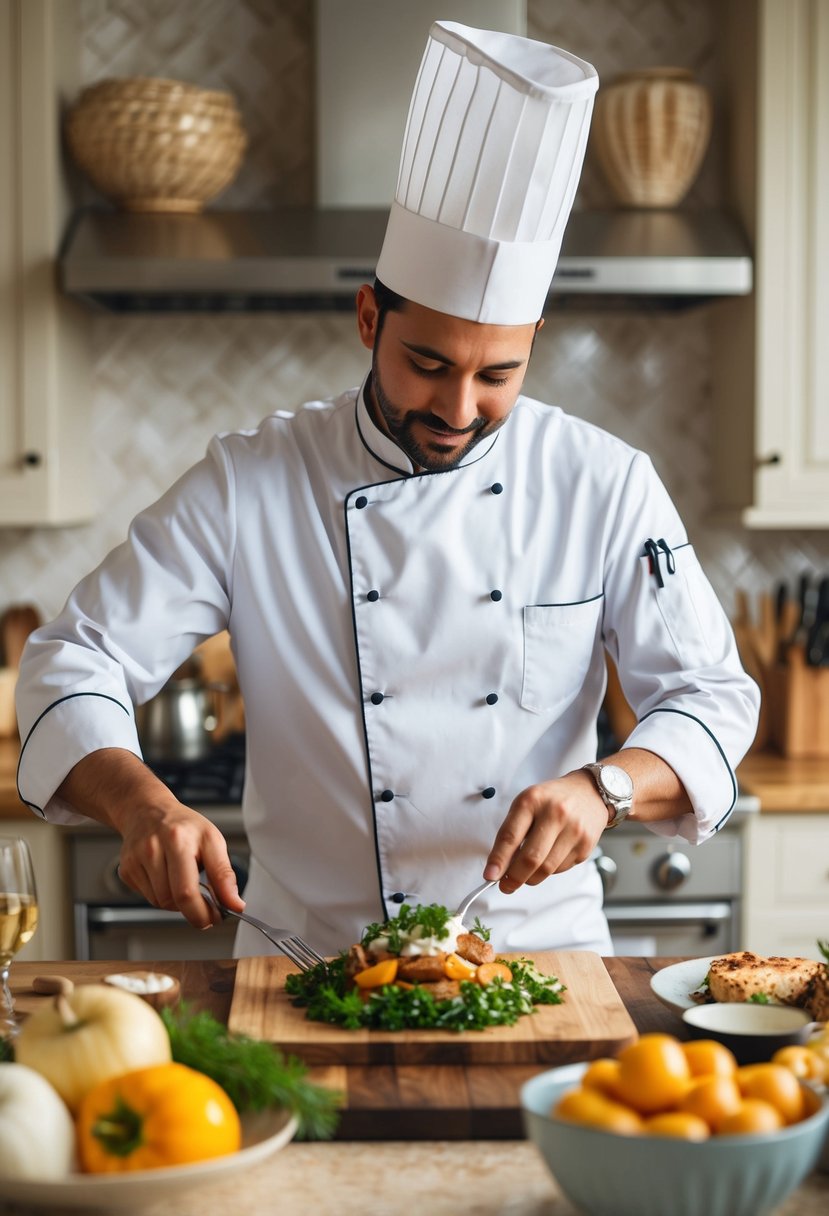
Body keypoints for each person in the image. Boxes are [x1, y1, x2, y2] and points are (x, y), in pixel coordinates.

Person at [15, 22, 759, 957]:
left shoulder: (602, 483)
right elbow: (71, 660)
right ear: (369, 317)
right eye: (426, 362)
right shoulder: (255, 482)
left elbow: (710, 696)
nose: (457, 407)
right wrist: (142, 805)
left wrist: (604, 787)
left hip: (540, 966)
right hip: (306, 968)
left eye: (498, 375)